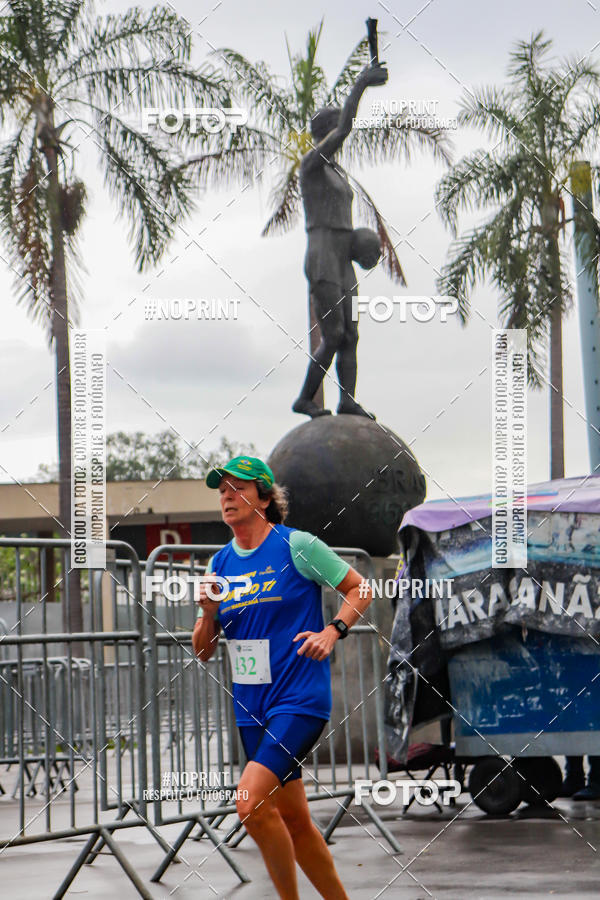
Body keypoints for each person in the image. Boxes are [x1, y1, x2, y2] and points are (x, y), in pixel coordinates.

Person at [192, 455, 373, 900]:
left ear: (264, 497)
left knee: (249, 804)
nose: (228, 497)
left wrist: (334, 630)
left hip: (298, 699)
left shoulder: (297, 546)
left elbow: (360, 588)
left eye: (239, 488)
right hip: (251, 707)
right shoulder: (220, 562)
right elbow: (203, 650)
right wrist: (207, 614)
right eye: (222, 491)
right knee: (295, 821)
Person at [293, 62, 388, 420]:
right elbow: (347, 126)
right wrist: (361, 83)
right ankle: (305, 399)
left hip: (343, 259)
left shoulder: (336, 173)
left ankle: (347, 399)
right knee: (332, 335)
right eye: (335, 130)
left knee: (351, 335)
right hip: (322, 255)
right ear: (327, 132)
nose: (341, 135)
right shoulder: (312, 165)